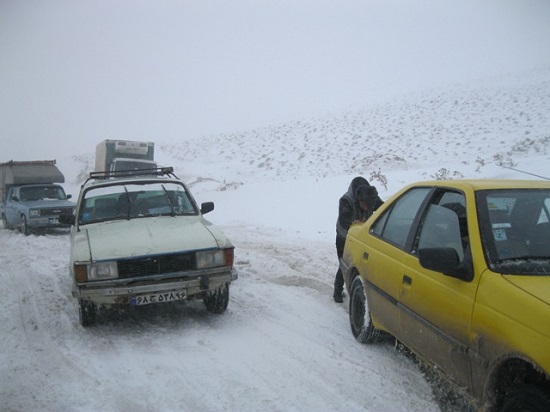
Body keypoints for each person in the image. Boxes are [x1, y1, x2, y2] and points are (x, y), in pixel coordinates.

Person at [333, 177, 383, 303]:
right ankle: (337, 291)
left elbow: (382, 208)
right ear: (358, 199)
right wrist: (352, 223)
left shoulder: (371, 197)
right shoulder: (346, 200)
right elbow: (344, 220)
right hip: (344, 237)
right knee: (345, 263)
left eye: (369, 207)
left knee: (359, 265)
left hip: (361, 238)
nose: (367, 209)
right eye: (365, 206)